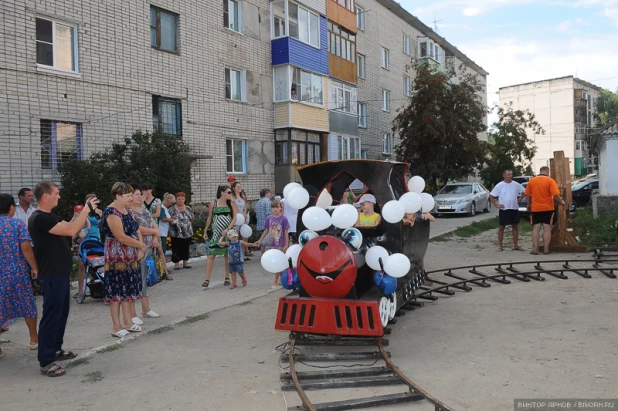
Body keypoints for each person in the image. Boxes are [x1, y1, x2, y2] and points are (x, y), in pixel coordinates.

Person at [28, 182, 98, 377]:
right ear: (45, 196)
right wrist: (85, 210)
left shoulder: (49, 217)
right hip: (51, 273)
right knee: (52, 315)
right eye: (56, 193)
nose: (59, 197)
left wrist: (81, 229)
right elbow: (68, 230)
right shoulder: (39, 218)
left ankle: (56, 349)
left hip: (60, 271)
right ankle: (46, 360)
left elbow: (69, 232)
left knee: (61, 313)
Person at [101, 182, 147, 339]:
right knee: (116, 290)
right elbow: (120, 236)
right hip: (117, 257)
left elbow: (135, 228)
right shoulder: (111, 212)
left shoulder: (126, 209)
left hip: (130, 256)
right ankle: (116, 326)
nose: (130, 198)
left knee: (127, 288)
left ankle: (127, 321)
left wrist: (140, 249)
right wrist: (140, 245)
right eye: (127, 196)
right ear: (118, 196)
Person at [0, 193, 39, 357]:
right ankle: (33, 339)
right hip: (16, 271)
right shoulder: (17, 224)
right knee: (26, 303)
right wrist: (34, 267)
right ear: (11, 207)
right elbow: (26, 248)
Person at [128, 184, 161, 322]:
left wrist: (155, 236)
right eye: (137, 195)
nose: (140, 197)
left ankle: (146, 308)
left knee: (146, 277)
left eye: (140, 195)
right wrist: (154, 232)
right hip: (137, 248)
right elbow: (137, 228)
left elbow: (153, 223)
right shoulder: (128, 211)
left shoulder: (144, 209)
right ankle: (132, 314)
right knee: (135, 279)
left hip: (149, 247)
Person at [524, 166, 566, 255]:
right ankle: (546, 249)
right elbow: (555, 195)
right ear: (547, 171)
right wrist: (561, 202)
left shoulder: (532, 180)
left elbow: (527, 194)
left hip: (535, 208)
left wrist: (529, 204)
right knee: (547, 228)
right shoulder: (550, 181)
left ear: (540, 171)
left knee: (536, 228)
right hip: (548, 208)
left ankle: (535, 249)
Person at [203, 185, 237, 288]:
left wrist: (228, 229)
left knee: (227, 255)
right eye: (229, 192)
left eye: (231, 192)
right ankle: (207, 279)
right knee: (211, 255)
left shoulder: (231, 203)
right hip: (216, 233)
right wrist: (205, 231)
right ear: (222, 193)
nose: (230, 194)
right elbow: (209, 218)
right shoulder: (213, 203)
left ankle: (227, 277)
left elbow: (235, 217)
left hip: (227, 233)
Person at [255, 199, 289, 288]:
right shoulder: (269, 218)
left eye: (277, 207)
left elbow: (286, 232)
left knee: (279, 261)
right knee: (276, 262)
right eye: (273, 207)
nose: (275, 209)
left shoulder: (284, 219)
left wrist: (287, 244)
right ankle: (281, 279)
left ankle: (276, 281)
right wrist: (260, 240)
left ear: (281, 208)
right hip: (272, 243)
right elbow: (266, 230)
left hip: (281, 243)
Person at [489, 170, 526, 252]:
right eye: (508, 174)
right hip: (504, 209)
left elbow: (525, 192)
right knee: (501, 227)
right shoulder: (500, 185)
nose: (510, 176)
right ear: (504, 175)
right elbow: (491, 195)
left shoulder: (516, 184)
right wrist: (496, 205)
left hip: (514, 208)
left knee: (515, 227)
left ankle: (516, 245)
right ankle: (500, 246)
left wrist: (519, 199)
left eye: (511, 174)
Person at [75, 194, 103, 300]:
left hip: (96, 238)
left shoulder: (99, 212)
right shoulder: (83, 211)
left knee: (94, 263)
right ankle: (80, 290)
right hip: (84, 238)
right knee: (82, 264)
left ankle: (94, 287)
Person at [168, 192, 194, 270]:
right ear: (176, 200)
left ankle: (185, 262)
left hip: (187, 232)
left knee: (186, 247)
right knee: (176, 247)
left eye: (182, 199)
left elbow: (192, 218)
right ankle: (177, 264)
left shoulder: (188, 208)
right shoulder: (171, 209)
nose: (181, 200)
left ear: (185, 199)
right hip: (176, 232)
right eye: (179, 199)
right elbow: (169, 218)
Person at [231, 181, 252, 259]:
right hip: (236, 219)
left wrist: (244, 213)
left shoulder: (242, 197)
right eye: (238, 186)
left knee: (244, 237)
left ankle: (243, 254)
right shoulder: (233, 197)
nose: (239, 188)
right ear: (234, 188)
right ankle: (236, 255)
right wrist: (240, 214)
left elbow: (245, 207)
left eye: (240, 186)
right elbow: (234, 208)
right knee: (237, 237)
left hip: (243, 219)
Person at [158, 193, 176, 280]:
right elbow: (163, 218)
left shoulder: (164, 208)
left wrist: (171, 218)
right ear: (167, 200)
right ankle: (162, 268)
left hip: (164, 231)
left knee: (163, 250)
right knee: (162, 250)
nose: (171, 204)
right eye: (171, 202)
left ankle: (163, 267)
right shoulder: (161, 208)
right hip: (161, 232)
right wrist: (172, 220)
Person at [255, 189, 272, 254]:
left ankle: (262, 254)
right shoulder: (267, 201)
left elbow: (256, 213)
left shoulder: (258, 202)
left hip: (260, 224)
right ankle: (270, 254)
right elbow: (268, 212)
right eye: (269, 193)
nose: (270, 194)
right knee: (270, 240)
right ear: (266, 193)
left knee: (262, 241)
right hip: (267, 224)